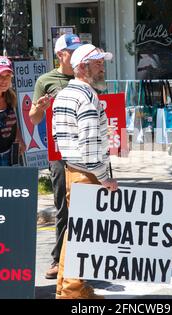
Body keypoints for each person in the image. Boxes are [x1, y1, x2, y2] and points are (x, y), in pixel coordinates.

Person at [53, 43, 118, 299]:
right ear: (82, 68)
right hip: (86, 173)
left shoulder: (64, 94)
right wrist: (105, 178)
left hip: (73, 169)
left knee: (75, 233)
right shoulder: (86, 97)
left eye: (102, 62)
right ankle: (73, 292)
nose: (102, 67)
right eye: (98, 63)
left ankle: (66, 288)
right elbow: (90, 148)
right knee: (82, 237)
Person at [29, 33, 83, 280]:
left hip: (87, 150)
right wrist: (39, 108)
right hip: (60, 153)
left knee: (91, 205)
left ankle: (91, 258)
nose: (77, 55)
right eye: (72, 52)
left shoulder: (87, 76)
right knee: (63, 206)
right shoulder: (46, 80)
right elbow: (34, 118)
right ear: (61, 54)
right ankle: (58, 259)